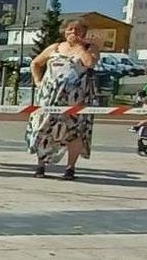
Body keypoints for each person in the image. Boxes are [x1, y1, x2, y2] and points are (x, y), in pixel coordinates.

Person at [26, 19, 99, 179]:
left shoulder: (89, 48)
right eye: (70, 29)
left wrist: (81, 47)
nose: (73, 32)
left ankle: (70, 168)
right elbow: (36, 63)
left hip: (76, 99)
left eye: (78, 30)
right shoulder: (55, 47)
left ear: (84, 33)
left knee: (75, 131)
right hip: (50, 97)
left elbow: (90, 63)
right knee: (43, 128)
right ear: (64, 31)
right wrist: (38, 82)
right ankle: (41, 165)